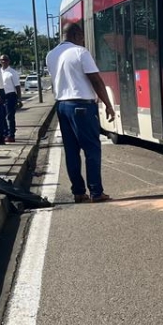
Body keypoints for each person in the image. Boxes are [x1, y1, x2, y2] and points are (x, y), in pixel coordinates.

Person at [47, 23, 115, 203]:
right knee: (92, 149)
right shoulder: (80, 52)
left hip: (62, 106)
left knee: (71, 151)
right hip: (82, 107)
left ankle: (78, 191)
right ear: (76, 34)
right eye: (82, 36)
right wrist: (108, 104)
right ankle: (96, 191)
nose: (83, 40)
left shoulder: (51, 55)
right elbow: (96, 80)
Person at [0, 54, 20, 143]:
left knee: (10, 117)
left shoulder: (12, 72)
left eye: (5, 60)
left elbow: (17, 86)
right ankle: (5, 133)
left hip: (11, 96)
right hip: (2, 96)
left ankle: (11, 135)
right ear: (0, 61)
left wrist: (19, 99)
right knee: (2, 116)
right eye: (2, 60)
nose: (4, 61)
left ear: (8, 61)